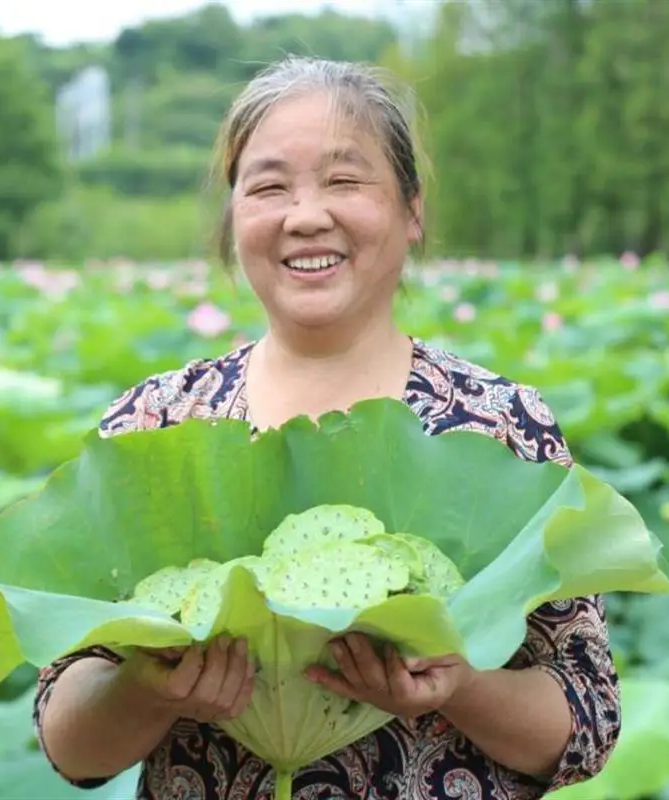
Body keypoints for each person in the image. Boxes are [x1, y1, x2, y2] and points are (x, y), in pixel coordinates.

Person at [33, 56, 619, 800]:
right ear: (233, 217)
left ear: (412, 211)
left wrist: (459, 685)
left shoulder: (496, 426)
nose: (305, 215)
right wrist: (148, 693)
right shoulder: (156, 426)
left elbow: (588, 723)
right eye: (270, 186)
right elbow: (68, 743)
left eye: (344, 181)